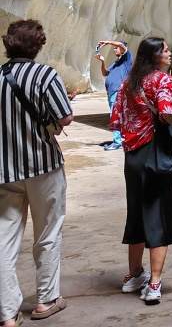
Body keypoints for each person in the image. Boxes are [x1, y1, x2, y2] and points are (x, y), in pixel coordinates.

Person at [110, 38, 172, 306]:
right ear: (154, 56)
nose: (169, 53)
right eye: (164, 50)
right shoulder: (161, 80)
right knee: (159, 216)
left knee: (136, 214)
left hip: (133, 158)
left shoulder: (129, 82)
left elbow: (116, 119)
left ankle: (134, 275)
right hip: (155, 156)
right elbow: (167, 111)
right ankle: (154, 284)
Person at [0, 20, 75, 325]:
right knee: (48, 233)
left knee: (4, 240)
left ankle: (6, 313)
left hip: (5, 171)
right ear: (39, 45)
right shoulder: (45, 75)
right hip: (43, 166)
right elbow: (66, 117)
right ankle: (46, 300)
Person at [96, 40, 132, 150]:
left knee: (114, 115)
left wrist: (107, 42)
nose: (114, 49)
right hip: (112, 93)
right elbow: (105, 73)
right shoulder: (116, 63)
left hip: (118, 92)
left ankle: (117, 142)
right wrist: (102, 62)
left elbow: (121, 45)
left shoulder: (127, 58)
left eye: (116, 47)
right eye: (114, 48)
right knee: (118, 115)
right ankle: (121, 139)